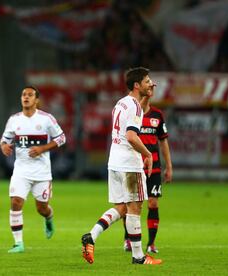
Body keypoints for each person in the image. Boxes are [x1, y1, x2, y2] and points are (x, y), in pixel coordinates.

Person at [81, 67, 162, 265]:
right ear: (137, 85)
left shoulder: (121, 103)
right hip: (129, 165)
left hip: (114, 162)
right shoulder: (133, 106)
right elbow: (132, 137)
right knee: (135, 208)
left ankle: (91, 236)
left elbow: (135, 116)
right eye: (147, 81)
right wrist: (147, 153)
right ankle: (138, 257)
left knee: (122, 208)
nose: (150, 83)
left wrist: (147, 96)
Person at [0, 86, 66, 253]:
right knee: (16, 202)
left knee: (41, 208)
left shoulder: (46, 119)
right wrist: (4, 147)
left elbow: (62, 138)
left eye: (30, 95)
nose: (26, 97)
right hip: (21, 170)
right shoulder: (14, 120)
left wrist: (43, 148)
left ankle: (49, 218)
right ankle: (18, 243)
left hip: (42, 172)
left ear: (37, 100)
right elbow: (4, 140)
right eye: (23, 94)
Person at [122, 83, 173, 254]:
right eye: (148, 88)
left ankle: (151, 243)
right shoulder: (132, 112)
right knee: (130, 203)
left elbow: (163, 141)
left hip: (155, 166)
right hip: (134, 163)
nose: (150, 91)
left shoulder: (158, 115)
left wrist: (169, 166)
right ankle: (128, 238)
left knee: (153, 202)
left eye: (152, 89)